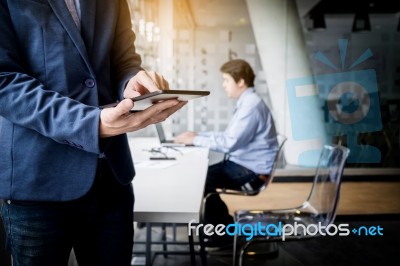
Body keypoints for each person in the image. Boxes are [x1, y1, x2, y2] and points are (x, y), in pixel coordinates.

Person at [0, 1, 186, 265]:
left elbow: (124, 61)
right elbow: (4, 80)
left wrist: (133, 82)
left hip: (111, 177)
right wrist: (91, 123)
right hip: (38, 182)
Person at [175, 59, 278, 248]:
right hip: (243, 164)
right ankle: (223, 230)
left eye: (226, 80)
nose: (223, 85)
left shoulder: (251, 106)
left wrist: (195, 140)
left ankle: (222, 235)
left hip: (253, 173)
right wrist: (198, 135)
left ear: (240, 82)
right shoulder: (248, 102)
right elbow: (229, 136)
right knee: (201, 177)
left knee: (201, 181)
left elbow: (229, 143)